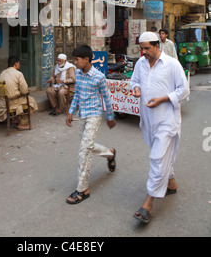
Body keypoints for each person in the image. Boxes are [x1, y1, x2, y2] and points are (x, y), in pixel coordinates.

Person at [130, 32, 189, 224]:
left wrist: (163, 99)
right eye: (142, 48)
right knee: (162, 154)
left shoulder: (172, 64)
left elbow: (184, 90)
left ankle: (149, 202)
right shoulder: (140, 63)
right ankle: (171, 183)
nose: (144, 52)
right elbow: (134, 81)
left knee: (157, 158)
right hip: (148, 119)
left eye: (147, 48)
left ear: (157, 46)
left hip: (167, 120)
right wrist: (136, 88)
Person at [65, 45, 116, 205]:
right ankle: (110, 153)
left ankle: (82, 190)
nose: (75, 62)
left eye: (77, 60)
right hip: (82, 116)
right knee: (88, 146)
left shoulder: (99, 77)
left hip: (94, 116)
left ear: (86, 59)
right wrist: (71, 112)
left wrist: (110, 116)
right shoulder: (78, 75)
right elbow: (77, 95)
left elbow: (106, 98)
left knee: (84, 151)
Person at [0, 56, 38, 130]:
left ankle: (15, 119)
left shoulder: (3, 72)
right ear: (16, 64)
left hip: (0, 101)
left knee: (17, 95)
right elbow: (24, 91)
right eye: (19, 63)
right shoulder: (18, 74)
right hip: (10, 101)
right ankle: (23, 123)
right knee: (31, 101)